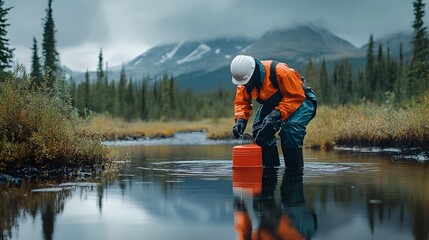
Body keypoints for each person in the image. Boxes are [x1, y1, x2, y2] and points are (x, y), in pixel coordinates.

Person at [231, 55, 317, 168]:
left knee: (290, 129)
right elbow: (242, 103)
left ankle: (295, 171)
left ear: (254, 73)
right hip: (273, 104)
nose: (244, 85)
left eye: (247, 82)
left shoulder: (280, 71)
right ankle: (271, 170)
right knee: (260, 132)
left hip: (300, 99)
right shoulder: (244, 80)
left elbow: (296, 96)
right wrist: (241, 120)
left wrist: (276, 114)